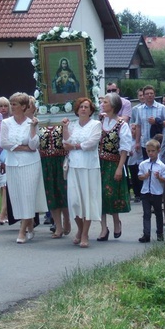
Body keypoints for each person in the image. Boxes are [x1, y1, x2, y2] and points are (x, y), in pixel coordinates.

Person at [0, 93, 47, 244]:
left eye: (15, 104)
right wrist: (21, 147)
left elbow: (34, 146)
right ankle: (29, 223)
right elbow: (4, 143)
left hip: (30, 164)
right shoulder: (6, 123)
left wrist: (33, 128)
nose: (12, 107)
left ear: (23, 107)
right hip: (13, 163)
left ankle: (22, 230)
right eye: (11, 104)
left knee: (28, 196)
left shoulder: (31, 122)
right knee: (17, 197)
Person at [62, 98, 103, 248]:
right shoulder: (72, 125)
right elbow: (65, 143)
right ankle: (79, 229)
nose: (83, 109)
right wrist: (65, 128)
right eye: (81, 107)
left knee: (87, 201)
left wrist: (75, 146)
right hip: (74, 166)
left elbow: (92, 143)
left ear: (91, 110)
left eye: (86, 107)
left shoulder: (96, 124)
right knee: (74, 201)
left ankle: (85, 233)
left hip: (89, 166)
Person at [97, 92, 132, 242]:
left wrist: (120, 167)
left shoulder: (121, 125)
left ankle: (116, 220)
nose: (102, 105)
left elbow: (124, 148)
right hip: (98, 163)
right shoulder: (100, 121)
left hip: (112, 163)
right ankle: (103, 227)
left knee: (110, 194)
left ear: (113, 105)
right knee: (98, 195)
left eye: (105, 102)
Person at [38, 122, 71, 238]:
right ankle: (58, 225)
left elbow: (68, 141)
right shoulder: (39, 124)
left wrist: (66, 126)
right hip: (46, 162)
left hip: (60, 160)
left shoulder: (62, 122)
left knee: (63, 192)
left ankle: (67, 219)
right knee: (51, 193)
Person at [137, 139, 165, 242]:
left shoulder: (162, 166)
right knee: (146, 213)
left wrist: (159, 177)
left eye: (153, 151)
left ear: (158, 151)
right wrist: (144, 176)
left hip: (157, 193)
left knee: (158, 213)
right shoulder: (143, 164)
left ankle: (160, 233)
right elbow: (139, 176)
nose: (150, 153)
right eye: (148, 151)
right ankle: (146, 234)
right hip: (146, 192)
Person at [0, 96, 13, 225]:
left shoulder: (11, 122)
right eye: (0, 106)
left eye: (5, 106)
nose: (3, 109)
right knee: (2, 186)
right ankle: (4, 211)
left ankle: (3, 212)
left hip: (8, 156)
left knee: (6, 185)